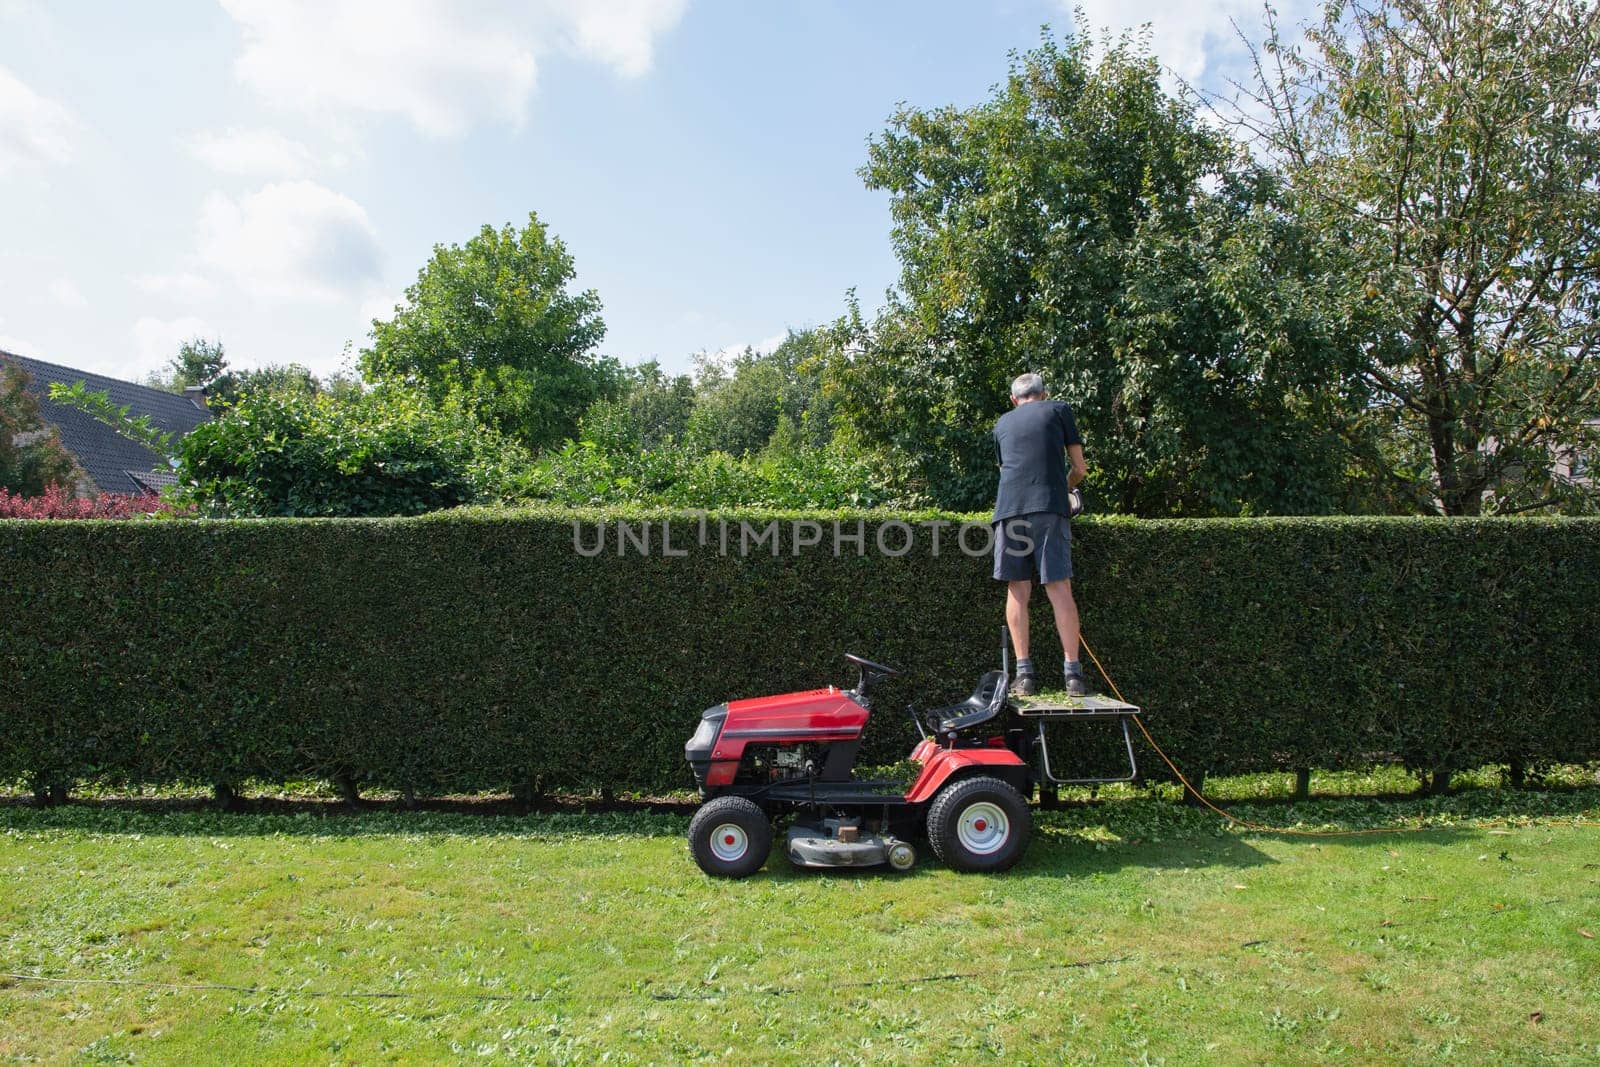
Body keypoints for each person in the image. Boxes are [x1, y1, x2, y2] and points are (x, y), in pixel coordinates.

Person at [991, 372, 1089, 696]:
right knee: (1059, 588)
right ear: (1043, 394)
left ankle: (1024, 676)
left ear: (1013, 400)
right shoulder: (1059, 409)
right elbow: (1079, 468)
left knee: (1018, 590)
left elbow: (1006, 470)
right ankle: (1073, 675)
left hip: (1009, 510)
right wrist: (1068, 490)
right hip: (1048, 507)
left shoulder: (1002, 423)